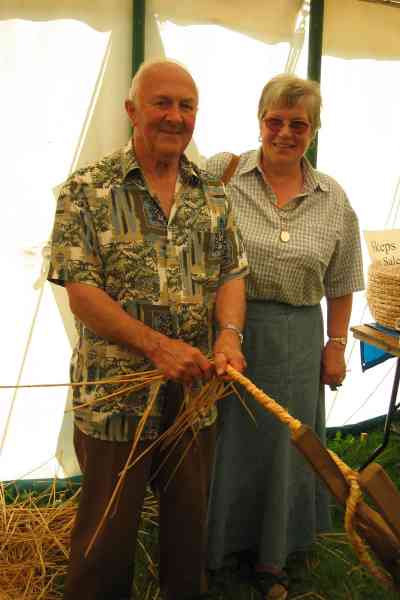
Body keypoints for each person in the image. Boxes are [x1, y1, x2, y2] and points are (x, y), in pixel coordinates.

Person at [48, 59, 249, 600]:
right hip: (116, 397)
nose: (174, 116)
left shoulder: (212, 192)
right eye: (162, 103)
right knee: (106, 534)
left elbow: (232, 272)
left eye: (186, 106)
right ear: (132, 110)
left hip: (193, 392)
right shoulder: (87, 190)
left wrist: (229, 335)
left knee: (187, 528)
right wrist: (158, 347)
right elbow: (82, 292)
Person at [206, 74, 364, 600]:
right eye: (276, 120)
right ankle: (218, 549)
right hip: (232, 330)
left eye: (299, 124)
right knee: (230, 442)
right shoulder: (223, 175)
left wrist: (336, 344)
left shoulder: (332, 198)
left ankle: (274, 555)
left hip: (299, 336)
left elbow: (342, 280)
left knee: (286, 445)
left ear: (313, 132)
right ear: (260, 122)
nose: (285, 132)